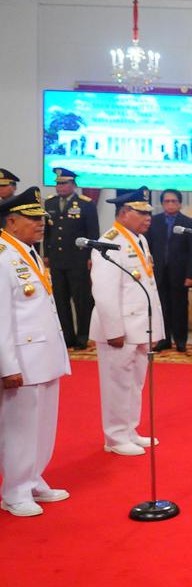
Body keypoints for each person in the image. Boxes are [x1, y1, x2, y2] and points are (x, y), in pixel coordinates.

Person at [0, 187, 72, 516]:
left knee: (43, 424)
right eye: (32, 218)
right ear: (11, 221)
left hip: (44, 355)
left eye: (41, 218)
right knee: (20, 428)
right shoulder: (3, 257)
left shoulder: (28, 252)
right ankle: (14, 491)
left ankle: (33, 478)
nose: (41, 223)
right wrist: (7, 366)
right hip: (22, 359)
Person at [89, 187, 164, 457]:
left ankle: (130, 430)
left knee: (135, 383)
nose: (148, 218)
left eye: (148, 213)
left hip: (139, 326)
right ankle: (115, 437)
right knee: (117, 383)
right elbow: (104, 292)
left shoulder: (139, 239)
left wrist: (154, 328)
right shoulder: (108, 242)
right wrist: (114, 330)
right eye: (141, 213)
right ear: (123, 213)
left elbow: (148, 286)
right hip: (120, 328)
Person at [43, 167, 98, 350]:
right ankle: (67, 337)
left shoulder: (86, 204)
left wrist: (91, 256)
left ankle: (82, 337)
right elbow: (48, 231)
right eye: (58, 184)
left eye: (64, 183)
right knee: (60, 300)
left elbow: (93, 233)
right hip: (57, 260)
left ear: (73, 184)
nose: (59, 187)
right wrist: (46, 254)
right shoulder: (50, 203)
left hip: (78, 260)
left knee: (81, 300)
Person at [147, 189, 192, 353]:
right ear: (162, 204)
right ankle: (164, 340)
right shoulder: (153, 221)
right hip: (158, 273)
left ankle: (180, 341)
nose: (170, 204)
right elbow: (147, 247)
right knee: (161, 308)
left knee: (180, 308)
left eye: (174, 201)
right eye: (167, 201)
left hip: (180, 273)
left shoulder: (189, 223)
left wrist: (191, 275)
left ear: (180, 203)